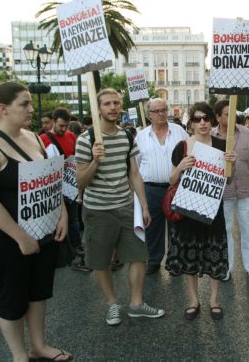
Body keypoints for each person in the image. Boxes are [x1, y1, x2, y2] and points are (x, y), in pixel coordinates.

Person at [0, 82, 70, 361]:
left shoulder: (35, 138)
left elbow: (49, 179)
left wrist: (61, 212)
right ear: (3, 109)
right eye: (24, 104)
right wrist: (20, 237)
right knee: (13, 299)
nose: (31, 109)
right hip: (6, 240)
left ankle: (38, 346)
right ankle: (19, 355)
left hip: (43, 233)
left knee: (38, 293)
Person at [75, 88, 164, 326]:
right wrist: (95, 159)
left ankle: (136, 304)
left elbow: (134, 173)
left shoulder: (126, 136)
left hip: (126, 206)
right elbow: (80, 182)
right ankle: (112, 303)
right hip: (97, 210)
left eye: (116, 103)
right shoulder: (86, 140)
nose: (113, 107)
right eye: (107, 104)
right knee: (100, 260)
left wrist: (144, 206)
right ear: (99, 108)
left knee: (138, 256)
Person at [166, 102, 236, 321]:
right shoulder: (182, 146)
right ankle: (193, 301)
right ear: (191, 123)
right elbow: (171, 180)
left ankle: (214, 300)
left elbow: (228, 180)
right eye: (197, 119)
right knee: (189, 256)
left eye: (206, 118)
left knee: (214, 253)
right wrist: (181, 167)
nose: (203, 123)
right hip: (187, 211)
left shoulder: (223, 145)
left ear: (212, 120)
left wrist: (230, 165)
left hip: (212, 210)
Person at [135, 98, 187, 275]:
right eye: (156, 111)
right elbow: (136, 166)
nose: (161, 114)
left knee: (177, 225)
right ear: (149, 115)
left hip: (176, 188)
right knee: (153, 226)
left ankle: (176, 260)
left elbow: (188, 155)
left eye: (164, 110)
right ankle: (154, 259)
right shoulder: (140, 137)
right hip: (151, 188)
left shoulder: (180, 131)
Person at [212, 99, 249, 281]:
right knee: (225, 231)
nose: (231, 117)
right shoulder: (211, 136)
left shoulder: (246, 132)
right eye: (227, 114)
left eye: (233, 113)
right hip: (222, 193)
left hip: (246, 189)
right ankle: (226, 267)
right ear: (218, 117)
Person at [39, 108, 81, 259]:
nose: (64, 129)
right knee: (55, 220)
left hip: (70, 185)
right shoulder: (43, 139)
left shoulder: (71, 136)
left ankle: (76, 246)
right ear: (53, 121)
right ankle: (59, 250)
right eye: (61, 125)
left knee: (73, 219)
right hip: (53, 186)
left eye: (66, 126)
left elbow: (76, 156)